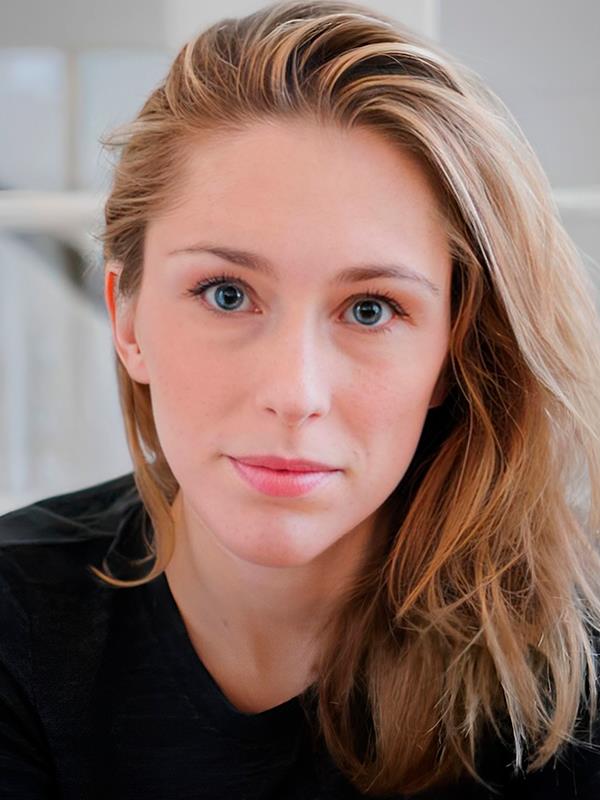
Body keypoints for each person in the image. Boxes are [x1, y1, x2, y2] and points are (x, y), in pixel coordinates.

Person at [1, 1, 600, 797]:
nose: (293, 392)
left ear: (453, 353)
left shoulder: (577, 658)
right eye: (225, 293)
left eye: (371, 310)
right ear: (128, 320)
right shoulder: (13, 623)